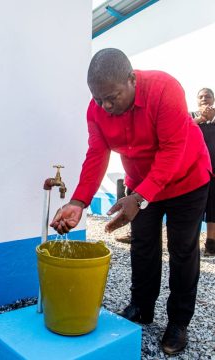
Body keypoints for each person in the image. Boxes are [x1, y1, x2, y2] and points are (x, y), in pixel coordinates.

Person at [50, 48, 211, 355]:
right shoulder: (96, 110)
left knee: (182, 248)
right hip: (141, 185)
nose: (106, 106)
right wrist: (78, 202)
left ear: (132, 80)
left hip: (186, 178)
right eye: (98, 99)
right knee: (143, 244)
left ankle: (178, 322)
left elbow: (173, 150)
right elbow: (97, 155)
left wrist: (139, 197)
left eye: (112, 96)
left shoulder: (164, 89)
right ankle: (141, 307)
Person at [190, 88, 215, 256]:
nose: (204, 98)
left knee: (213, 208)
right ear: (197, 100)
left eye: (208, 96)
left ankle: (211, 245)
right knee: (193, 209)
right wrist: (201, 118)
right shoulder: (190, 117)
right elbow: (181, 130)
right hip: (194, 172)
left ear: (213, 100)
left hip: (214, 172)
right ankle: (191, 245)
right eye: (201, 96)